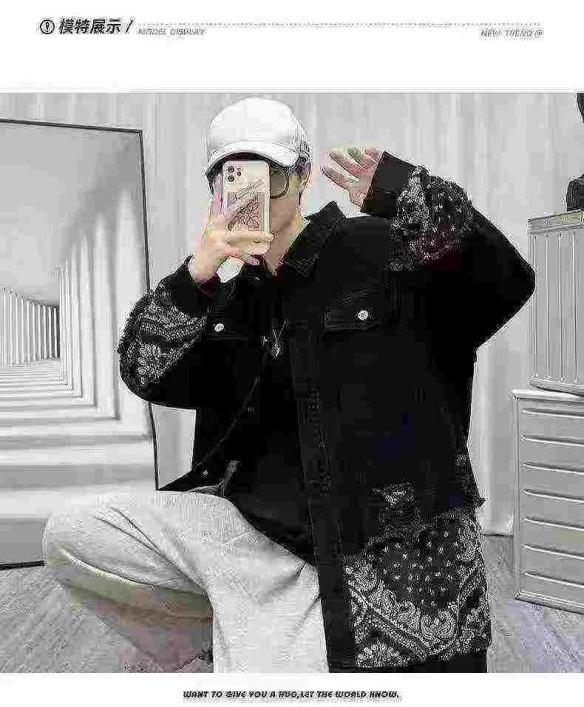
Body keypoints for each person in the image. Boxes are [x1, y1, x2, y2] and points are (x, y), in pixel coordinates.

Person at [42, 96, 536, 673]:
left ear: (302, 178)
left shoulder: (384, 250)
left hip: (364, 547)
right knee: (71, 533)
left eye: (271, 173)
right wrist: (197, 273)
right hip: (246, 537)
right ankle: (207, 634)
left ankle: (269, 634)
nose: (254, 191)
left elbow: (507, 281)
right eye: (232, 176)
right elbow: (143, 371)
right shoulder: (228, 301)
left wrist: (406, 193)